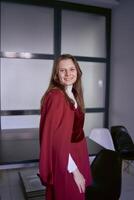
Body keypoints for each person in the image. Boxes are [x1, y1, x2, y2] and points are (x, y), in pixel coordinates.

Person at [38, 54, 92, 200]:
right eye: (63, 70)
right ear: (56, 74)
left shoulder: (73, 93)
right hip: (66, 158)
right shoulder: (56, 97)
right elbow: (56, 142)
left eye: (71, 69)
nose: (68, 74)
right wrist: (75, 171)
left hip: (78, 151)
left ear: (77, 71)